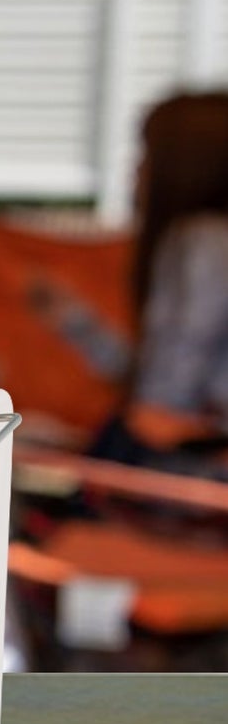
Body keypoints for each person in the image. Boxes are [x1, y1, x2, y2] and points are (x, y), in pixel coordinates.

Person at [94, 92, 228, 473]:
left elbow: (161, 402)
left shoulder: (201, 239)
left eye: (144, 154)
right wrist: (72, 322)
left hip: (196, 473)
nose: (135, 170)